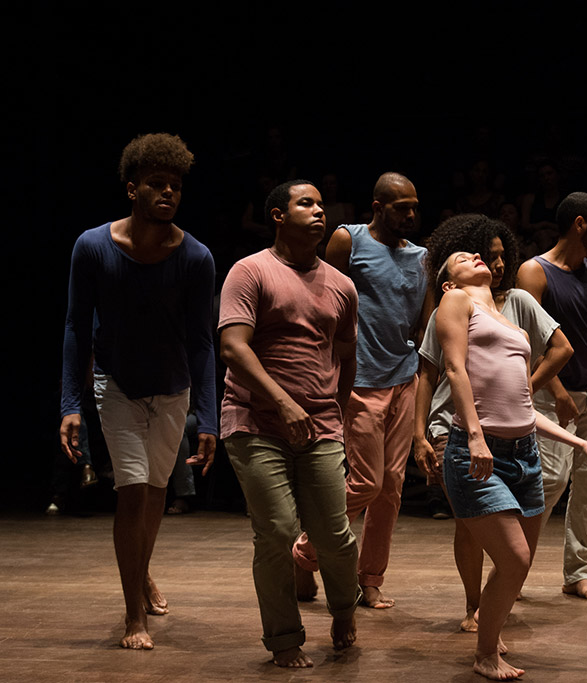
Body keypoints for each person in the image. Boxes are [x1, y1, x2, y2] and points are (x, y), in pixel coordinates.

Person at [59, 133, 217, 650]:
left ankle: (141, 568)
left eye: (175, 185)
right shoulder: (93, 246)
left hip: (172, 388)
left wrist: (209, 418)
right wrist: (70, 404)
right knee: (131, 492)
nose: (168, 192)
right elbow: (76, 326)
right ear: (132, 189)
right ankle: (133, 616)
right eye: (156, 184)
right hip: (118, 384)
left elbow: (202, 342)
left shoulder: (195, 256)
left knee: (154, 493)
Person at [433, 241, 587, 680]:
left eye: (475, 254)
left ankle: (490, 632)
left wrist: (578, 443)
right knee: (514, 557)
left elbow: (523, 408)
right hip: (480, 453)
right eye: (462, 259)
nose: (475, 257)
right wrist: (475, 436)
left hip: (524, 454)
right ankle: (484, 653)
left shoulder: (507, 317)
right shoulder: (455, 302)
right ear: (448, 283)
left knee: (519, 562)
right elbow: (454, 369)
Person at [220, 180, 361, 668]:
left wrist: (336, 410)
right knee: (278, 531)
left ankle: (343, 607)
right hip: (255, 421)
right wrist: (282, 402)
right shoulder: (250, 271)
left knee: (334, 535)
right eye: (306, 203)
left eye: (321, 204)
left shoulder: (341, 285)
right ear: (278, 216)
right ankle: (284, 638)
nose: (319, 211)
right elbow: (233, 347)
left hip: (320, 425)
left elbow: (346, 355)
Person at [414, 214, 573, 633]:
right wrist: (419, 433)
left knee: (514, 544)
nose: (495, 262)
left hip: (515, 435)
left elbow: (560, 349)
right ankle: (474, 606)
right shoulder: (454, 303)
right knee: (471, 525)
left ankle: (490, 606)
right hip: (458, 425)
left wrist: (524, 393)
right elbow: (434, 371)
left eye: (501, 255)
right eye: (485, 254)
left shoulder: (514, 305)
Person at [324, 172, 432, 608]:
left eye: (414, 207)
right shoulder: (347, 240)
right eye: (401, 207)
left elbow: (424, 326)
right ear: (377, 207)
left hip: (403, 378)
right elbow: (325, 303)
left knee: (391, 487)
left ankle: (370, 577)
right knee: (366, 482)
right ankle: (307, 550)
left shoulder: (421, 257)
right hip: (361, 378)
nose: (410, 215)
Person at [517, 191, 587, 600]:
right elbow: (528, 343)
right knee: (550, 479)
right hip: (551, 394)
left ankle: (578, 571)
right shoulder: (534, 272)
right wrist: (557, 391)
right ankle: (513, 565)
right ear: (580, 224)